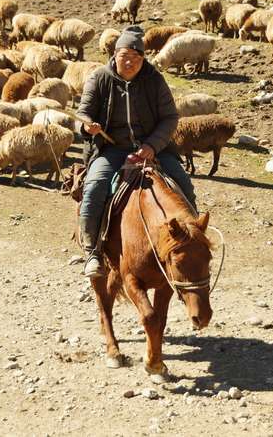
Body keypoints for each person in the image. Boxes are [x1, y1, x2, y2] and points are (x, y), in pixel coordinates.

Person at [77, 25, 196, 278]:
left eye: (136, 57)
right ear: (115, 55)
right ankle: (92, 250)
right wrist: (88, 126)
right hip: (112, 149)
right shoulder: (100, 78)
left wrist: (151, 146)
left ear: (143, 59)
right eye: (124, 56)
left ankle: (193, 241)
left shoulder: (154, 80)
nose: (130, 62)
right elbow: (83, 113)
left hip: (154, 148)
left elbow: (170, 117)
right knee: (95, 187)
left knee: (183, 184)